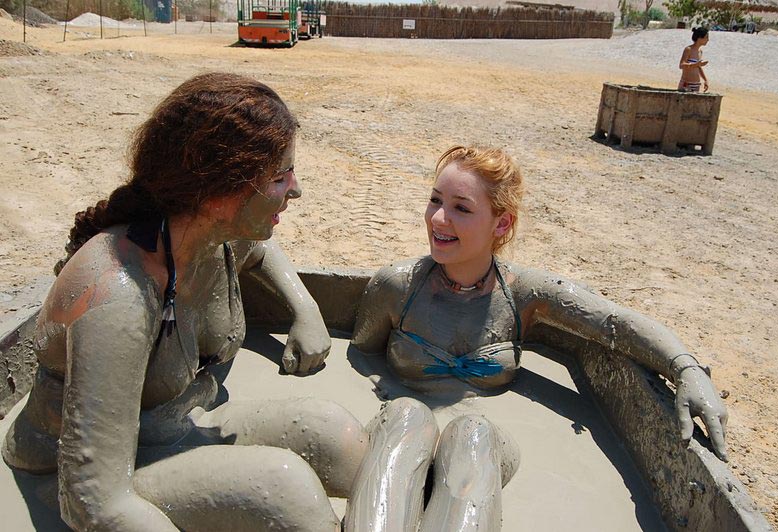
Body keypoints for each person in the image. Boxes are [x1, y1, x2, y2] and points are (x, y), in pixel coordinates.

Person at [1, 73, 369, 531]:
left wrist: (305, 309)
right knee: (283, 490)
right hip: (73, 473)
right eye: (280, 175)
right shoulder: (118, 296)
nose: (295, 189)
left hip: (172, 423)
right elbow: (95, 503)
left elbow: (260, 252)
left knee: (332, 433)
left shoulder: (212, 236)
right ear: (217, 192)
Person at [349, 145, 728, 529]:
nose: (439, 219)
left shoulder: (522, 293)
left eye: (461, 208)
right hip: (399, 443)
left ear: (501, 224)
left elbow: (614, 322)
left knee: (471, 434)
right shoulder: (397, 284)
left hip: (483, 453)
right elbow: (361, 357)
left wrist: (686, 369)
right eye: (435, 200)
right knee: (406, 415)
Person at [678, 27, 710, 92]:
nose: (708, 40)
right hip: (686, 84)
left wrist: (705, 80)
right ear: (700, 38)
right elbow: (681, 65)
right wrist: (695, 64)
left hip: (696, 85)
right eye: (706, 37)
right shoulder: (688, 49)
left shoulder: (700, 51)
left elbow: (699, 67)